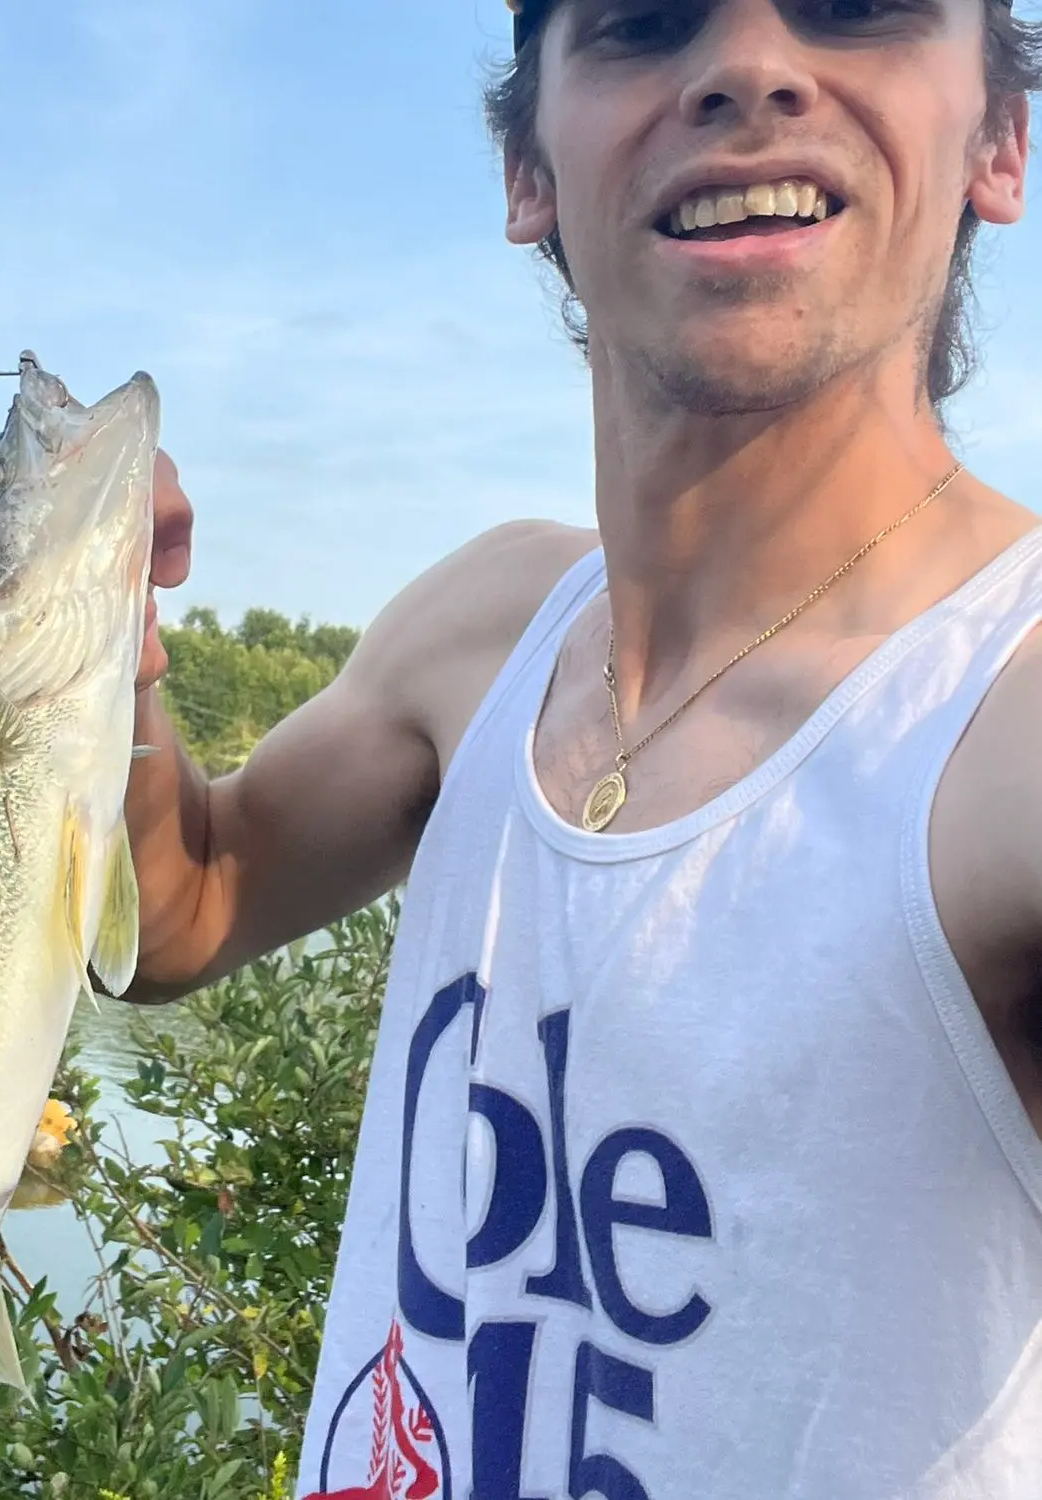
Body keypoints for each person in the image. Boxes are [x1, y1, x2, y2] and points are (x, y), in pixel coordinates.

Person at [124, 0, 1042, 1490]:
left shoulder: (1008, 717)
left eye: (858, 8)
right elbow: (184, 904)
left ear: (999, 139)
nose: (750, 67)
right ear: (525, 172)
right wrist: (81, 656)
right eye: (643, 23)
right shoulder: (488, 626)